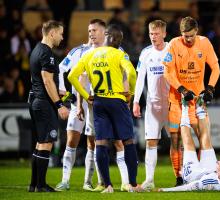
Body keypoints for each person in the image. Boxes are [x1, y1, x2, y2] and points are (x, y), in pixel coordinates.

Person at [55, 19, 130, 192]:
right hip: (80, 103)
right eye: (89, 30)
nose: (91, 33)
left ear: (104, 32)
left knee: (99, 143)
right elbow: (64, 70)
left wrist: (126, 97)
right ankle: (67, 180)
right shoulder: (79, 52)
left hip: (102, 103)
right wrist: (62, 90)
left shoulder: (115, 51)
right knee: (73, 141)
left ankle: (96, 182)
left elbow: (126, 74)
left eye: (95, 30)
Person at [68, 24, 141, 193]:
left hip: (98, 102)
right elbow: (131, 74)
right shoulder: (120, 54)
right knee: (127, 141)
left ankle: (107, 185)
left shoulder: (89, 54)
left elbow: (72, 76)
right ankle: (133, 184)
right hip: (117, 100)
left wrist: (86, 97)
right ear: (118, 40)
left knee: (100, 143)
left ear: (107, 37)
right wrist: (130, 92)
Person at [163, 16, 220, 186]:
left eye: (191, 36)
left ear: (197, 32)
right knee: (176, 140)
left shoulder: (205, 43)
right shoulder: (173, 44)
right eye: (185, 36)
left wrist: (210, 87)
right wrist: (181, 89)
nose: (188, 39)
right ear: (181, 33)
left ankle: (204, 174)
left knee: (203, 137)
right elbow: (168, 72)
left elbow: (216, 67)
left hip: (197, 101)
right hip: (177, 100)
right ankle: (179, 177)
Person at [28, 20, 69, 192]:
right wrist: (59, 104)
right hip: (44, 104)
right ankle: (42, 185)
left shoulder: (37, 49)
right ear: (51, 33)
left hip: (37, 101)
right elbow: (47, 81)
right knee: (47, 143)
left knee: (40, 143)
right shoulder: (47, 53)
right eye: (60, 33)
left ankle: (34, 184)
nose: (62, 37)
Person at [132, 20, 169, 191]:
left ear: (164, 34)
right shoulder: (146, 53)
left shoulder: (172, 50)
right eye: (151, 34)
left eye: (156, 33)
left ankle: (181, 176)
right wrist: (136, 101)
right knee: (150, 142)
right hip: (153, 106)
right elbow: (140, 79)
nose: (153, 37)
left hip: (171, 104)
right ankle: (149, 180)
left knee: (177, 141)